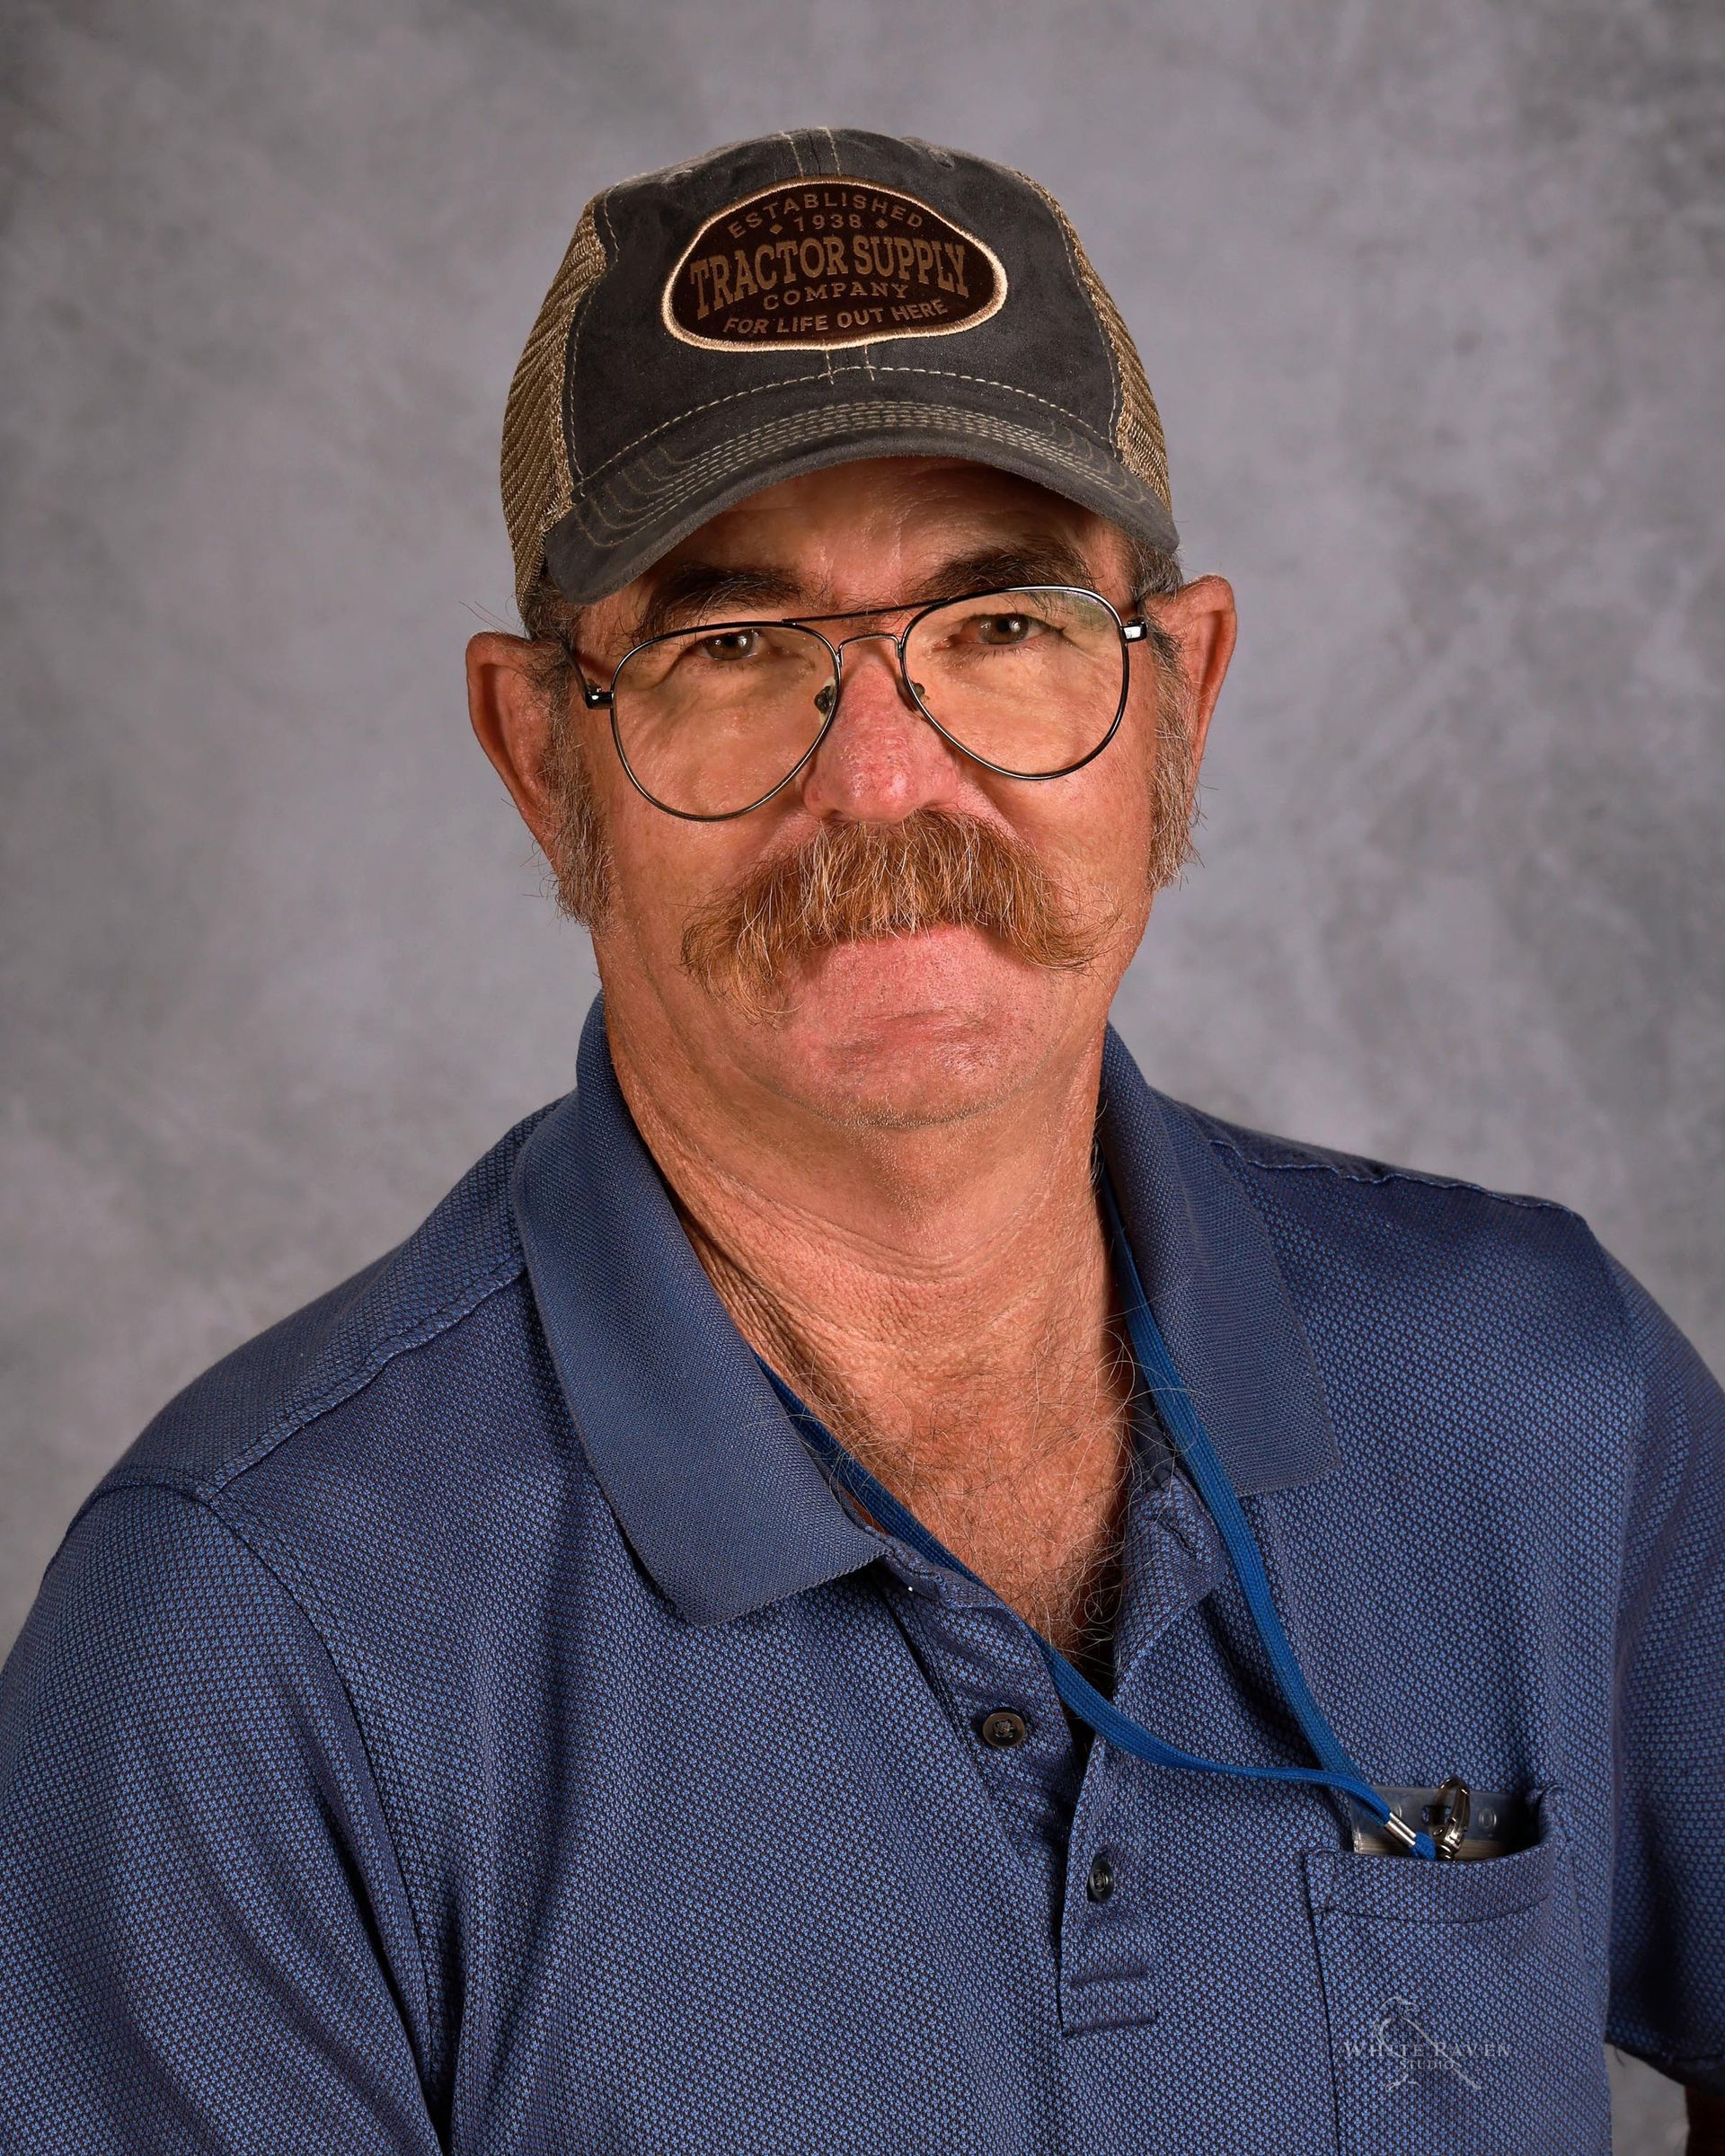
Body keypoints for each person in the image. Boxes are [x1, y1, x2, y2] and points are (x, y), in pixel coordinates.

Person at [1, 127, 1720, 2156]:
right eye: (737, 651)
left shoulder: (1541, 1399)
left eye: (1003, 625)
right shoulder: (243, 1637)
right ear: (540, 752)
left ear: (1184, 692)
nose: (887, 781)